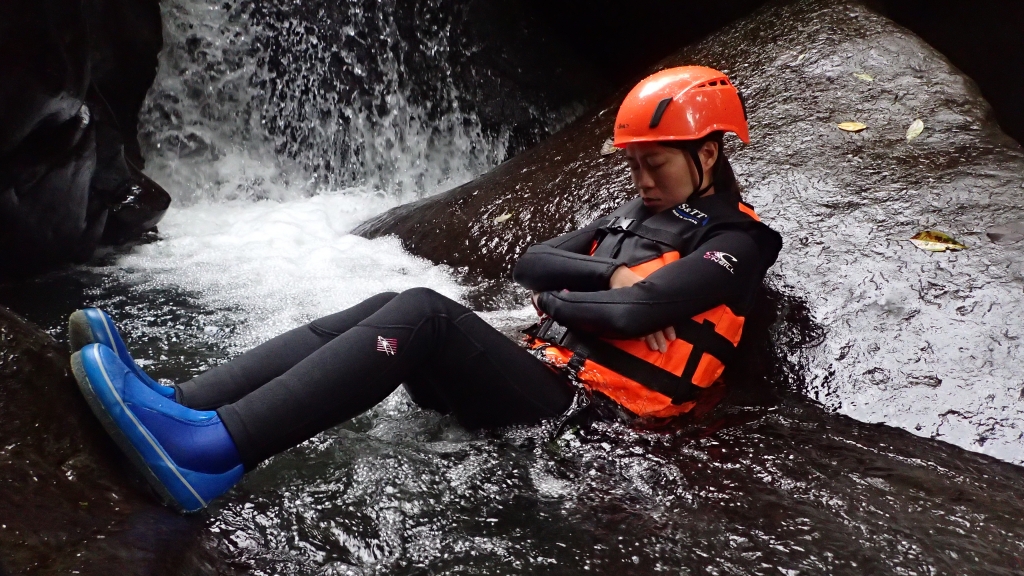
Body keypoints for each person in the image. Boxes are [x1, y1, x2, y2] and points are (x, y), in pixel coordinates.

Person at [68, 66, 782, 513]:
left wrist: (572, 303)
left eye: (655, 164)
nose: (642, 181)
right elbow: (532, 263)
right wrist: (605, 275)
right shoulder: (628, 219)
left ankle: (208, 455)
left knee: (424, 313)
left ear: (708, 153)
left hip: (595, 423)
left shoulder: (739, 243)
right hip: (542, 378)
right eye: (635, 166)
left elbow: (637, 310)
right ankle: (186, 403)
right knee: (388, 304)